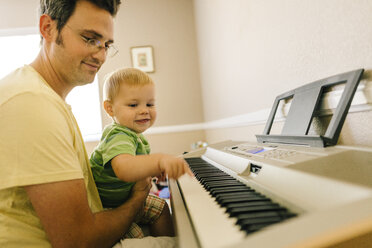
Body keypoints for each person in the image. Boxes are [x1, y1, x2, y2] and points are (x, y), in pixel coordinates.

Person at [0, 1, 186, 247]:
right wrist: (137, 199)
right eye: (90, 39)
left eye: (107, 44)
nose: (101, 55)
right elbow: (78, 241)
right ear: (48, 28)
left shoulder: (43, 98)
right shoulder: (30, 103)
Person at [90, 67, 192, 239]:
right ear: (110, 109)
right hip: (109, 209)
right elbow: (124, 168)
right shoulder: (118, 135)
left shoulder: (134, 137)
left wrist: (151, 170)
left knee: (161, 207)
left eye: (150, 104)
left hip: (123, 200)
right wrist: (158, 160)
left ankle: (171, 242)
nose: (144, 110)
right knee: (138, 238)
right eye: (133, 105)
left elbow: (136, 166)